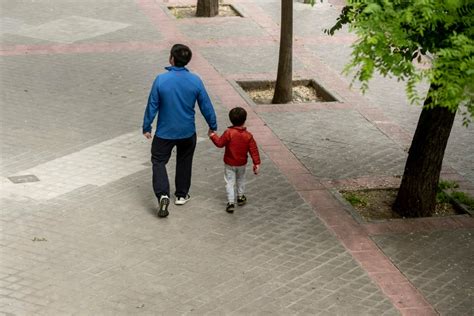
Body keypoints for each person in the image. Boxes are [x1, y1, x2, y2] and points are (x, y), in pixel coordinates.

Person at [143, 44, 217, 218]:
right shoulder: (196, 80)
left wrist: (147, 127)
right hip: (187, 132)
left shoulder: (161, 80)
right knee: (184, 160)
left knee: (158, 161)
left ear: (172, 59)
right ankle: (182, 195)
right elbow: (206, 105)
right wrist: (212, 126)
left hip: (164, 133)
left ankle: (163, 195)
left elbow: (152, 105)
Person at [208, 107, 261, 213]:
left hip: (229, 162)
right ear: (244, 120)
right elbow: (253, 150)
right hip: (242, 163)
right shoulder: (248, 136)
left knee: (229, 182)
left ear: (231, 119)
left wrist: (213, 135)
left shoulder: (229, 133)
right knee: (241, 179)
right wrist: (256, 163)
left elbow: (220, 143)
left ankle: (230, 202)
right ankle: (240, 197)